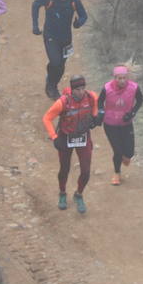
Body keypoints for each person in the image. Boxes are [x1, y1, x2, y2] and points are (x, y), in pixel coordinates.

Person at [43, 74, 100, 213]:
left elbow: (97, 111)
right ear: (72, 89)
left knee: (86, 171)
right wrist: (54, 137)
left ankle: (79, 194)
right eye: (77, 89)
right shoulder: (63, 102)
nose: (81, 91)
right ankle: (62, 193)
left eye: (82, 88)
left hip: (83, 137)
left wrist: (97, 118)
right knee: (64, 169)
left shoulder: (91, 97)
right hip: (65, 137)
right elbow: (47, 118)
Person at [31, 0, 88, 100]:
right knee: (56, 62)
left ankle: (51, 79)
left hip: (66, 38)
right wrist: (35, 25)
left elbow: (84, 16)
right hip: (50, 36)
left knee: (60, 66)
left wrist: (78, 23)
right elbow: (35, 5)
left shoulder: (74, 0)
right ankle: (51, 87)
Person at [96, 65, 143, 184]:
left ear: (127, 77)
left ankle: (125, 156)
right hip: (110, 123)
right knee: (117, 151)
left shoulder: (134, 88)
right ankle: (116, 173)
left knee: (129, 153)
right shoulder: (107, 88)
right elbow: (100, 101)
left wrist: (132, 113)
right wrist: (101, 112)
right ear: (114, 78)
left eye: (124, 78)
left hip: (126, 123)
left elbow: (140, 100)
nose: (122, 81)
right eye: (119, 78)